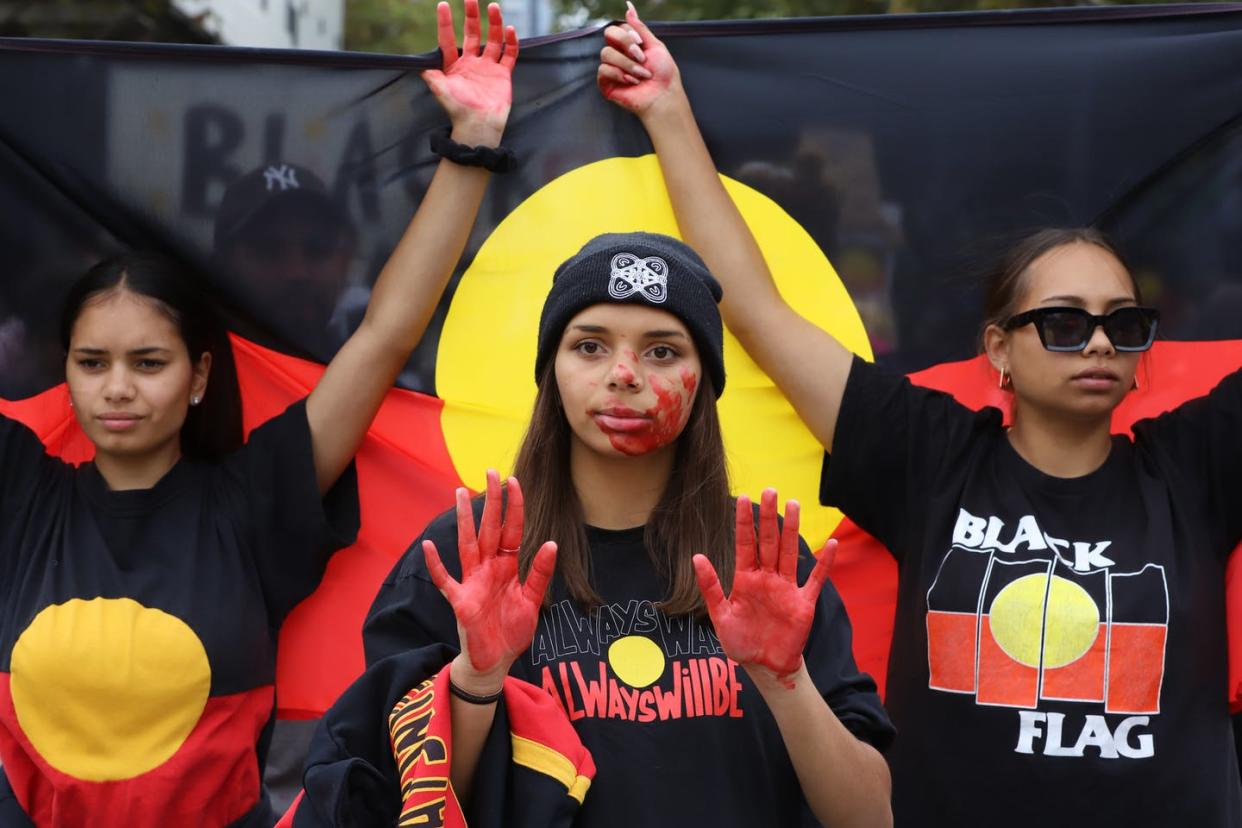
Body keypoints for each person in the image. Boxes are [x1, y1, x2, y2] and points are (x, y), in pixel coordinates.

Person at [596, 5, 1242, 825]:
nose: (1100, 343)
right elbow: (756, 311)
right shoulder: (930, 456)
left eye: (1126, 323)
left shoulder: (1195, 468)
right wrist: (667, 109)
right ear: (999, 349)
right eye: (1066, 322)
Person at [0, 2, 517, 825]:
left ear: (200, 375)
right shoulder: (21, 496)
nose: (118, 388)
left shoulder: (253, 502)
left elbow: (384, 338)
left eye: (149, 363)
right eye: (92, 363)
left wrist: (475, 144)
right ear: (63, 373)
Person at [364, 230, 895, 826]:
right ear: (551, 371)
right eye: (589, 346)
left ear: (705, 383)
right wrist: (477, 680)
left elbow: (870, 817)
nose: (623, 374)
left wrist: (786, 681)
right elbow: (398, 805)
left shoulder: (765, 562)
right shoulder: (468, 554)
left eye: (662, 351)